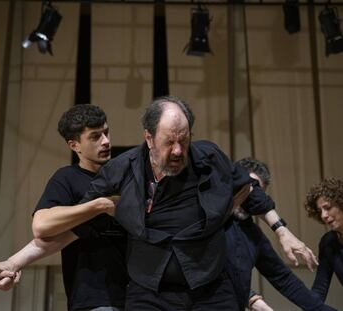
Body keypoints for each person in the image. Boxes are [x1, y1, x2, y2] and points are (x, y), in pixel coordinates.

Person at [74, 95, 317, 310]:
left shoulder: (209, 157)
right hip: (149, 289)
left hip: (208, 285)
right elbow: (86, 211)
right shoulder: (123, 168)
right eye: (169, 142)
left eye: (184, 140)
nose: (179, 150)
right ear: (149, 139)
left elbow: (248, 189)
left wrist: (282, 230)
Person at [0, 104, 128, 311]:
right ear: (75, 146)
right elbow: (42, 226)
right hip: (94, 298)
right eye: (95, 137)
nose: (106, 141)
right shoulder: (67, 178)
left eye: (106, 133)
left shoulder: (125, 176)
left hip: (138, 294)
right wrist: (99, 205)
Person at [226, 158, 336, 311]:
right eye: (249, 191)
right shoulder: (213, 220)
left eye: (258, 194)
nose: (250, 200)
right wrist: (251, 298)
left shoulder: (254, 236)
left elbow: (283, 278)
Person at [305, 178, 343, 302]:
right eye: (320, 211)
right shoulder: (328, 242)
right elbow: (319, 289)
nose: (323, 216)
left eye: (328, 208)